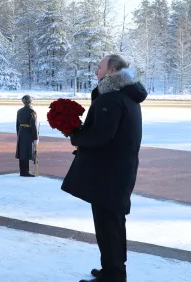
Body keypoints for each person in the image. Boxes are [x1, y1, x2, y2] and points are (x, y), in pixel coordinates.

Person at [61, 54, 147, 282]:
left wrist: (75, 134)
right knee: (113, 225)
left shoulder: (112, 98)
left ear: (112, 70)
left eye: (99, 68)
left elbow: (102, 135)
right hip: (118, 172)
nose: (96, 72)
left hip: (108, 175)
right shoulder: (127, 95)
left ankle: (113, 275)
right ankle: (113, 269)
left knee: (108, 226)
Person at [15, 95, 38, 177]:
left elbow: (17, 124)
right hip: (28, 133)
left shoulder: (19, 111)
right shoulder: (32, 111)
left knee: (22, 152)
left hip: (21, 132)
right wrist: (36, 137)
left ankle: (23, 171)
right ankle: (25, 172)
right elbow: (33, 125)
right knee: (27, 151)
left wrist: (19, 133)